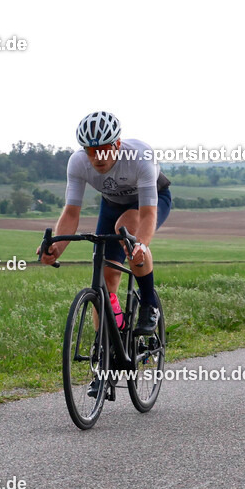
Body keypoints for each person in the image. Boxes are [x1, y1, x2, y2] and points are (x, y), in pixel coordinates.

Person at [39, 111, 172, 337]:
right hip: (112, 205)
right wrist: (56, 249)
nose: (98, 157)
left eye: (103, 149)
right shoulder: (78, 163)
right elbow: (71, 213)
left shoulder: (140, 157)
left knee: (128, 232)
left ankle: (150, 304)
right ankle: (105, 349)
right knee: (106, 276)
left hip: (150, 202)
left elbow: (148, 214)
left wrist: (141, 245)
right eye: (91, 151)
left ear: (117, 144)